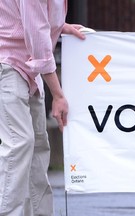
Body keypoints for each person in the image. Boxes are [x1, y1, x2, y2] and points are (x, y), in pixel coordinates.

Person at [0, 0, 85, 215]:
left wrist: (60, 26)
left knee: (38, 145)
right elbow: (37, 37)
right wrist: (58, 94)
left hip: (27, 67)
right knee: (19, 143)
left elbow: (33, 19)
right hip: (8, 64)